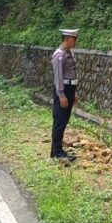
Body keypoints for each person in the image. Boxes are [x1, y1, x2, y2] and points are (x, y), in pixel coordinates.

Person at [51, 29, 79, 161]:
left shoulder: (69, 54)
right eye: (73, 39)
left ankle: (58, 151)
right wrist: (61, 94)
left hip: (70, 89)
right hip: (62, 90)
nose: (75, 42)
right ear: (67, 39)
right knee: (59, 122)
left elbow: (72, 74)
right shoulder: (59, 55)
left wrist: (74, 93)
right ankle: (57, 153)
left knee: (64, 121)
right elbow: (58, 76)